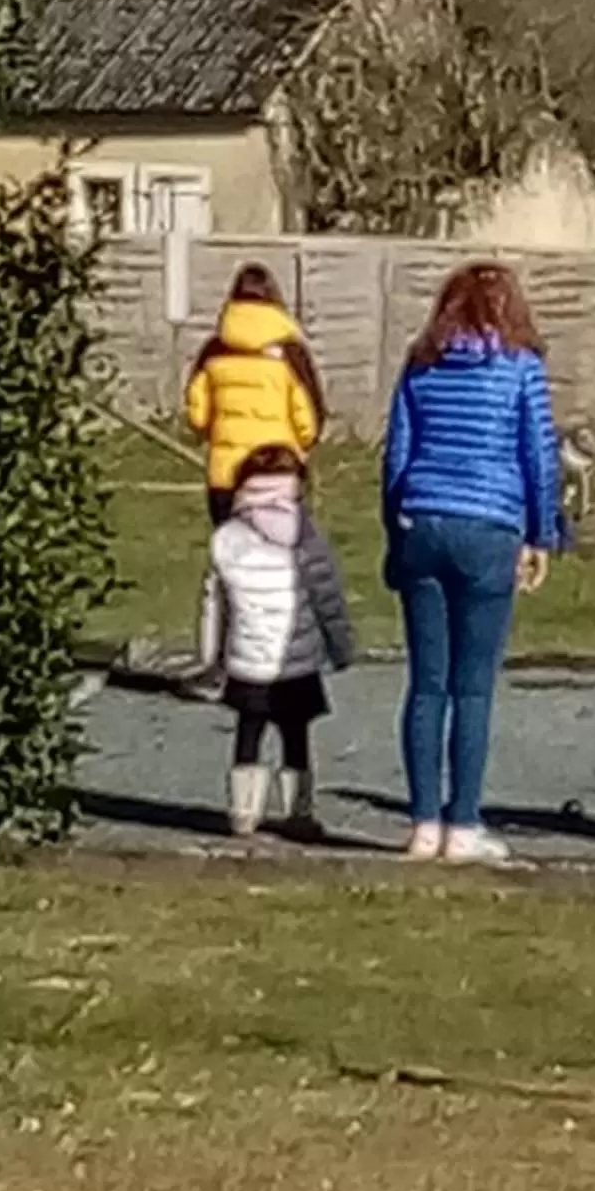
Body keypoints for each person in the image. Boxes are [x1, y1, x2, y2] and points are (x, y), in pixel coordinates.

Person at [381, 262, 562, 864]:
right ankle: (463, 825)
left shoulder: (421, 363)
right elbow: (538, 455)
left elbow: (398, 454)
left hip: (423, 519)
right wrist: (543, 533)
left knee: (427, 682)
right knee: (474, 686)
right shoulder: (520, 368)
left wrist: (395, 530)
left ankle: (422, 823)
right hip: (490, 525)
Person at [200, 443, 358, 842]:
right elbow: (327, 597)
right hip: (297, 659)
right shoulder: (306, 537)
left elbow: (214, 607)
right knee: (296, 736)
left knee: (248, 733)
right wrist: (340, 647)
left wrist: (210, 659)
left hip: (247, 659)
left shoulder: (227, 538)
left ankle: (242, 811)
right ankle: (299, 812)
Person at [183, 264, 326, 526]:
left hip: (225, 476)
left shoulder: (214, 350)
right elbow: (309, 424)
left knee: (230, 555)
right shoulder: (290, 352)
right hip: (279, 475)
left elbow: (198, 416)